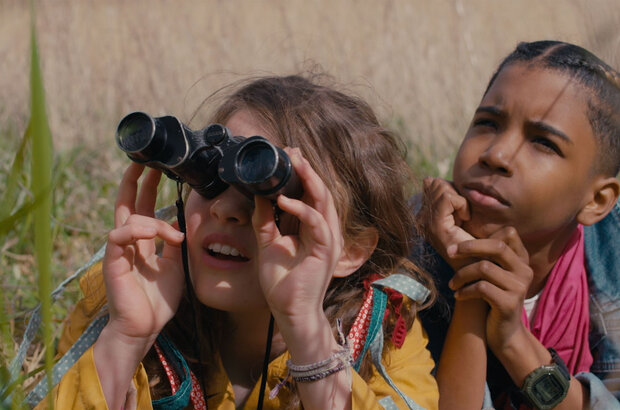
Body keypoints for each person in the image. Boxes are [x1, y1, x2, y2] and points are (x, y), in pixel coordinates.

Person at [38, 74, 439, 409]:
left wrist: (306, 333)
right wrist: (127, 339)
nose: (226, 208)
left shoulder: (383, 336)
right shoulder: (117, 301)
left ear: (350, 251)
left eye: (272, 196)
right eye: (209, 177)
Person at [416, 40, 620, 409]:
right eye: (487, 123)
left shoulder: (613, 265)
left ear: (597, 200)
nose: (496, 155)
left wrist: (514, 342)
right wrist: (473, 290)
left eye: (543, 143)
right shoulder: (402, 255)